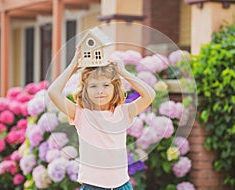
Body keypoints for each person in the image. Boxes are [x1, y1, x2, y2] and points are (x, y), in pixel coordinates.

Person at [48, 49, 156, 190]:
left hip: (122, 185)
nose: (100, 91)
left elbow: (150, 95)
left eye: (106, 85)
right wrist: (74, 65)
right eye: (93, 86)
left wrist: (123, 72)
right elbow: (53, 92)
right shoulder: (81, 114)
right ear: (85, 90)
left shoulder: (123, 112)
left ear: (114, 87)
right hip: (93, 186)